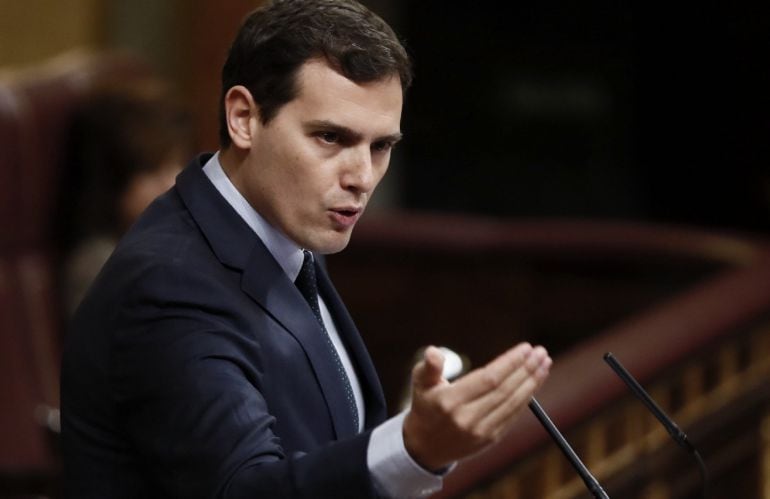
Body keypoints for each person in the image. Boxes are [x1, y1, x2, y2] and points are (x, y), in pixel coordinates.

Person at [60, 1, 552, 498]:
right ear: (244, 118)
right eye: (330, 137)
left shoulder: (281, 229)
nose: (361, 178)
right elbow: (246, 490)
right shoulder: (169, 284)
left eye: (380, 147)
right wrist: (412, 448)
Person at [58, 78, 193, 316]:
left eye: (175, 163)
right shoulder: (98, 264)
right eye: (151, 171)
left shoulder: (175, 238)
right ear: (111, 181)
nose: (171, 182)